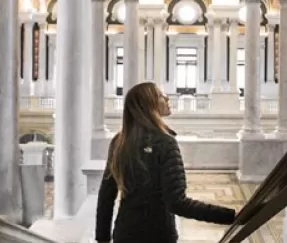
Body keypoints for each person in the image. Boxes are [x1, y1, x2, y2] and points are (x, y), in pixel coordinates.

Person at [96, 82, 236, 243]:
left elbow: (106, 197)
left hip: (125, 233)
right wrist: (229, 215)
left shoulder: (119, 142)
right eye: (161, 96)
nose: (167, 98)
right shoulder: (165, 143)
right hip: (159, 235)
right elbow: (177, 203)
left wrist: (102, 238)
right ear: (150, 105)